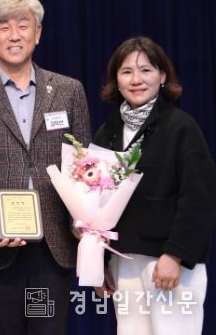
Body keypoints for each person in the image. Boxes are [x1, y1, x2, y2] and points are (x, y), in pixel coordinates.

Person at [0, 0, 91, 334]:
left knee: (45, 329)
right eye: (4, 27)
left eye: (23, 26)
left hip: (51, 248)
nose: (14, 35)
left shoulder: (69, 91)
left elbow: (84, 166)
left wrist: (83, 222)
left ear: (37, 33)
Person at [94, 36, 216, 335]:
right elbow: (94, 203)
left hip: (170, 264)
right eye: (126, 71)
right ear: (116, 80)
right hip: (124, 263)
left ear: (162, 76)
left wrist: (175, 254)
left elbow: (199, 199)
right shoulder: (107, 133)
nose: (136, 80)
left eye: (146, 70)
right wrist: (98, 263)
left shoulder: (181, 126)